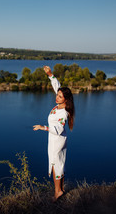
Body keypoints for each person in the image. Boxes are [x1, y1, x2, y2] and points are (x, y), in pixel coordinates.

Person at [33, 65, 75, 202]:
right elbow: (57, 85)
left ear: (66, 99)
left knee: (56, 164)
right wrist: (50, 74)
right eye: (57, 95)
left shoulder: (63, 113)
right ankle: (60, 190)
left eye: (60, 96)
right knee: (59, 164)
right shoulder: (61, 105)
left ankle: (57, 192)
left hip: (57, 140)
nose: (56, 97)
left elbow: (58, 129)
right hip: (55, 139)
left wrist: (42, 127)